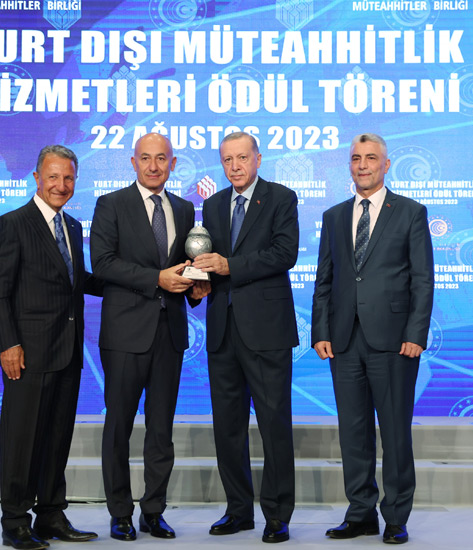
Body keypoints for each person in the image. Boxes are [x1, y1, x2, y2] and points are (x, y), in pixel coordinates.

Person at [311, 133, 434, 545]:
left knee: (395, 433)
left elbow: (422, 279)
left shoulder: (411, 212)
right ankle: (360, 513)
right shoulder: (333, 216)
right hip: (344, 340)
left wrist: (416, 333)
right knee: (353, 431)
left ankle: (396, 517)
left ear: (386, 164)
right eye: (355, 158)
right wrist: (321, 331)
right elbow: (324, 279)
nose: (362, 165)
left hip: (395, 341)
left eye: (370, 158)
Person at [89, 133, 210, 541]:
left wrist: (195, 288)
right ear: (133, 162)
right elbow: (103, 264)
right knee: (118, 427)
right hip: (125, 333)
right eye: (145, 158)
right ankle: (120, 513)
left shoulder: (185, 208)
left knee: (161, 430)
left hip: (169, 334)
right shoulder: (111, 204)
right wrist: (156, 279)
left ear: (173, 164)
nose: (153, 166)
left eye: (161, 159)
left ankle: (153, 511)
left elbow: (185, 267)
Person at [0, 145, 103, 550]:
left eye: (68, 178)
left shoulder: (73, 226)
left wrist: (136, 280)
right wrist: (7, 345)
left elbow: (78, 280)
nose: (61, 185)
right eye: (53, 177)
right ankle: (15, 522)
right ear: (37, 178)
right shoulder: (11, 224)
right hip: (27, 355)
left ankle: (51, 515)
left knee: (56, 439)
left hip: (66, 351)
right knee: (21, 441)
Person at [192, 131, 298, 544]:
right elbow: (209, 262)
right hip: (222, 331)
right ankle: (238, 510)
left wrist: (229, 266)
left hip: (267, 331)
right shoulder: (213, 204)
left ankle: (277, 515)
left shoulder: (281, 198)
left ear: (258, 158)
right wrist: (200, 280)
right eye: (227, 160)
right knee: (228, 428)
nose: (234, 166)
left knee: (274, 426)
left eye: (241, 158)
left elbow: (284, 254)